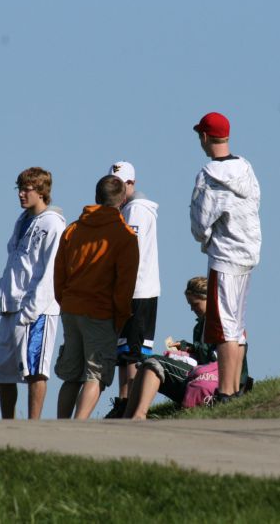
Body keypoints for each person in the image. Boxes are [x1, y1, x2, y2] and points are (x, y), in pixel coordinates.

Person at [54, 175, 139, 419]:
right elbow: (125, 286)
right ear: (123, 199)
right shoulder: (124, 236)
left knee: (71, 374)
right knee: (96, 375)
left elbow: (59, 273)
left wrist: (64, 301)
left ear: (96, 197)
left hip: (71, 308)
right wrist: (120, 317)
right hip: (101, 313)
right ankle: (79, 428)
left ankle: (60, 425)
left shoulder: (73, 229)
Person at [190, 111, 261, 404]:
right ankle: (235, 387)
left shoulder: (210, 175)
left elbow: (200, 222)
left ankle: (226, 391)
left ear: (205, 137)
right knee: (237, 325)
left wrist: (205, 237)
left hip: (224, 256)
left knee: (223, 330)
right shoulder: (246, 169)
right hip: (247, 252)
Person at [123, 276, 252, 419]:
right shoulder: (200, 327)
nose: (192, 309)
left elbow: (215, 357)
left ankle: (140, 414)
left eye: (195, 304)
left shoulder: (221, 323)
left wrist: (188, 349)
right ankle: (127, 416)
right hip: (202, 376)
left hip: (217, 382)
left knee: (155, 363)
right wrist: (187, 350)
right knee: (145, 365)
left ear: (208, 299)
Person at [0, 167, 66, 419]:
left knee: (35, 369)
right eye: (20, 188)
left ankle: (33, 424)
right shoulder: (22, 220)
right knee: (4, 372)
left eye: (27, 189)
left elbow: (51, 270)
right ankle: (8, 422)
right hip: (10, 305)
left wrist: (32, 309)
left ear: (42, 191)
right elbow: (14, 260)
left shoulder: (53, 223)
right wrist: (2, 290)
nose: (22, 194)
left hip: (37, 310)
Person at [103, 161, 161, 419]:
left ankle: (132, 403)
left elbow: (129, 251)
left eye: (121, 184)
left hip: (137, 290)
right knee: (125, 351)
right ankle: (124, 400)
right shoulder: (125, 210)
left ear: (131, 184)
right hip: (132, 290)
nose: (117, 188)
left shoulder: (135, 210)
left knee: (134, 352)